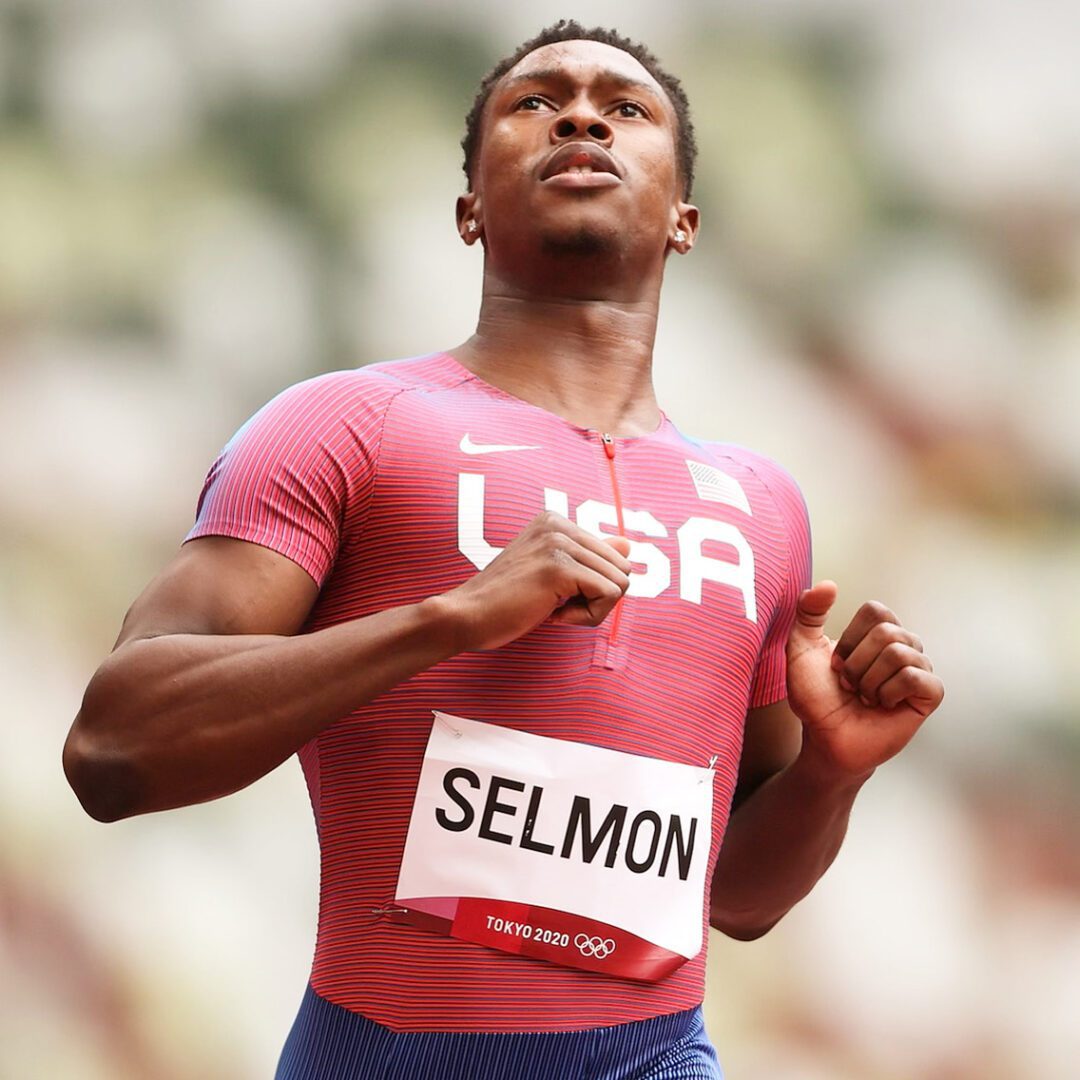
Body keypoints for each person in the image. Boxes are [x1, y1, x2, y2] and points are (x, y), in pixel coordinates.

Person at [63, 19, 944, 1080]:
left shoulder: (763, 506)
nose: (580, 114)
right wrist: (453, 619)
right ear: (470, 209)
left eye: (626, 109)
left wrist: (832, 776)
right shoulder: (347, 425)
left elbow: (737, 902)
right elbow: (112, 750)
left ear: (684, 219)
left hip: (655, 1058)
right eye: (535, 103)